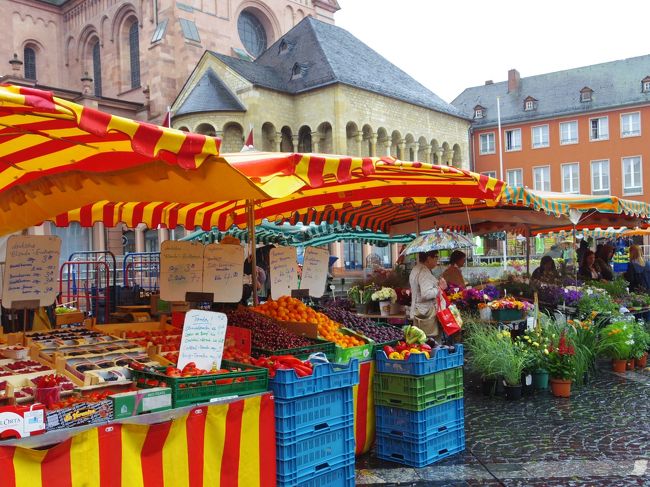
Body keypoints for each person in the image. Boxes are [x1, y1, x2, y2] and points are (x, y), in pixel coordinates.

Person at [409, 250, 447, 335]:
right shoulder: (424, 272)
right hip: (426, 315)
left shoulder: (416, 268)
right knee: (430, 343)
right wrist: (440, 288)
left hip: (419, 312)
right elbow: (426, 294)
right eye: (436, 257)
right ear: (429, 258)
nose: (438, 259)